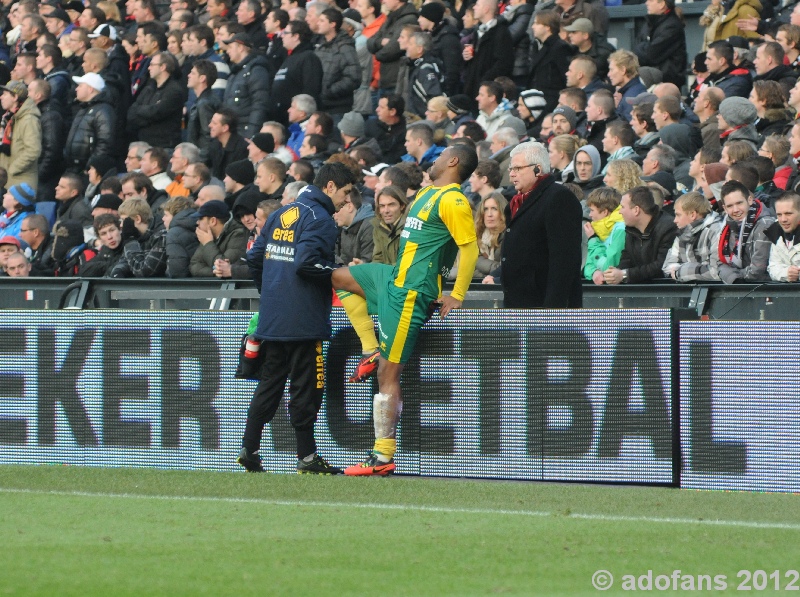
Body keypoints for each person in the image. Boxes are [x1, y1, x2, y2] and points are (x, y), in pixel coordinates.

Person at [331, 144, 478, 475]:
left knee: (388, 373)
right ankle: (370, 347)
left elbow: (469, 249)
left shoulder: (454, 200)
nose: (434, 161)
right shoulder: (428, 194)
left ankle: (383, 456)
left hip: (411, 294)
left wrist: (457, 293)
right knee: (337, 278)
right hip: (392, 278)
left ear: (453, 162)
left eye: (440, 157)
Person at [237, 162, 357, 475]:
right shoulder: (320, 218)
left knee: (270, 383)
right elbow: (307, 264)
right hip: (303, 320)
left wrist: (272, 293)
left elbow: (254, 257)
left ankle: (249, 448)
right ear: (329, 187)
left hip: (274, 318)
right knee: (307, 387)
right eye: (345, 193)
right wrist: (343, 275)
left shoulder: (281, 212)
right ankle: (306, 456)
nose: (346, 201)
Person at [501, 140, 582, 307]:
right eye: (511, 169)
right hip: (518, 302)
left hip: (544, 305)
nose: (511, 174)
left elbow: (564, 260)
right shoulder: (515, 202)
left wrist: (553, 309)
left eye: (517, 168)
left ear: (537, 169)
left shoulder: (559, 198)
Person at [603, 185, 679, 284]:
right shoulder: (631, 229)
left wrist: (624, 274)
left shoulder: (668, 228)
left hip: (666, 292)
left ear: (636, 210)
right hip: (641, 293)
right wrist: (614, 274)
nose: (620, 211)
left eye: (622, 207)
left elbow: (662, 265)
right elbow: (626, 259)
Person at [713, 179, 775, 283]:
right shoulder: (727, 228)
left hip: (764, 291)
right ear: (724, 208)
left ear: (750, 200)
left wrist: (733, 276)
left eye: (739, 203)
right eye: (730, 206)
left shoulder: (765, 224)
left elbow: (758, 271)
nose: (736, 209)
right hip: (741, 290)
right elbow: (719, 264)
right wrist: (734, 277)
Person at [662, 191, 723, 281]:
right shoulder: (681, 233)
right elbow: (667, 267)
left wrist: (681, 271)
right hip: (691, 292)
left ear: (692, 215)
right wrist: (699, 270)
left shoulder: (716, 231)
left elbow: (716, 272)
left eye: (678, 215)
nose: (675, 220)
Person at [189, 199, 248, 277]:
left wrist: (208, 244)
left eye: (200, 219)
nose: (197, 222)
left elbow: (223, 264)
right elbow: (194, 266)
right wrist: (215, 272)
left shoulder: (239, 235)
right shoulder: (207, 236)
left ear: (213, 221)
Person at [0, 80, 41, 190]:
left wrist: (12, 169)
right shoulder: (10, 119)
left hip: (20, 183)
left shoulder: (29, 119)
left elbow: (33, 151)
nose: (1, 97)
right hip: (8, 181)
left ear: (15, 97)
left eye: (4, 94)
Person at [583, 187, 625, 284]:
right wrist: (594, 272)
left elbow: (608, 266)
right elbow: (588, 266)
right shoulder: (597, 228)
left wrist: (593, 239)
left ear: (605, 212)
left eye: (592, 210)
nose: (590, 215)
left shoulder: (620, 229)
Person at [766, 191, 800, 281]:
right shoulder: (775, 232)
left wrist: (797, 274)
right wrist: (786, 273)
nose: (783, 219)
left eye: (788, 214)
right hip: (786, 293)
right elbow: (773, 267)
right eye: (779, 215)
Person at [371, 185, 407, 265]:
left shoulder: (409, 228)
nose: (386, 210)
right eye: (382, 206)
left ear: (402, 206)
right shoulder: (378, 228)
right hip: (387, 275)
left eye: (391, 205)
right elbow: (377, 259)